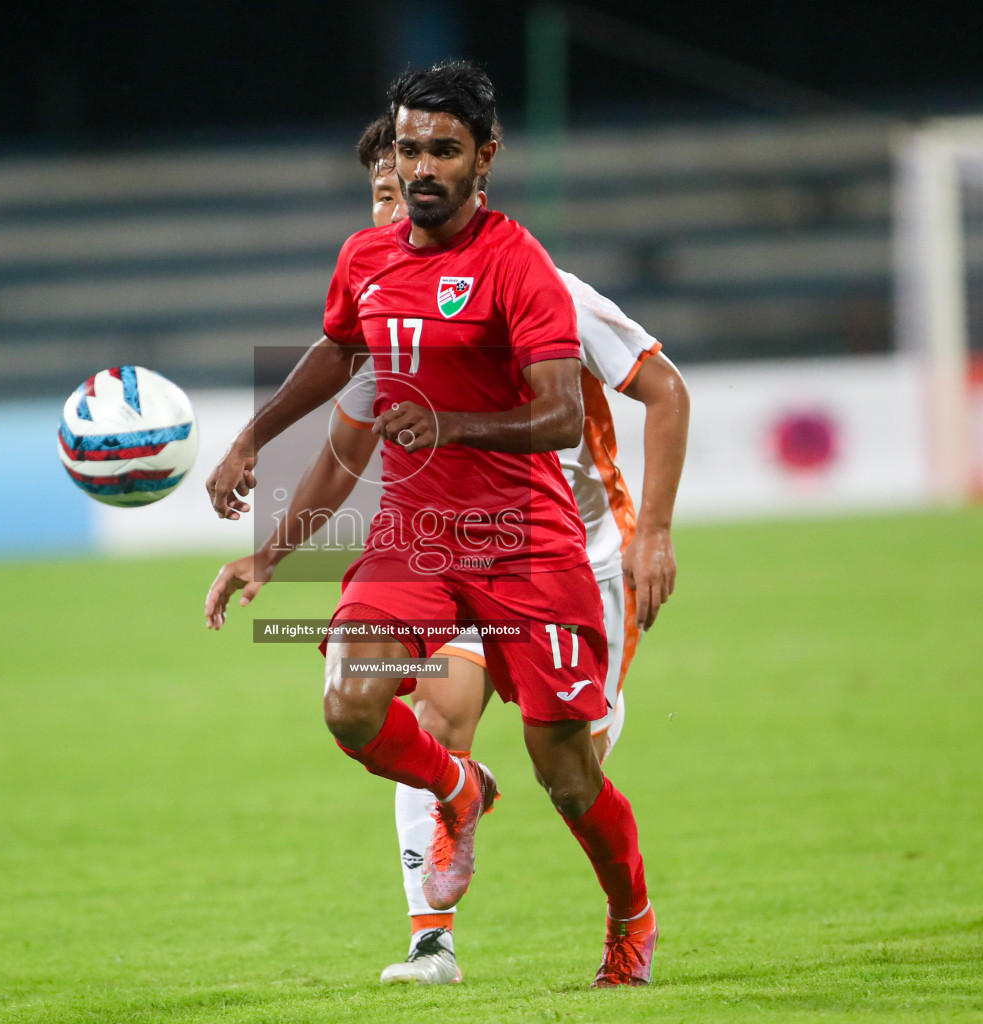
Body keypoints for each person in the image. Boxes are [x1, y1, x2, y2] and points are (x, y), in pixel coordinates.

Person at [205, 113, 689, 985]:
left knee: (567, 771)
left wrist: (654, 529)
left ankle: (630, 916)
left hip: (567, 549)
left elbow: (656, 394)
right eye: (386, 189)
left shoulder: (542, 283)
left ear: (475, 171)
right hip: (432, 541)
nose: (398, 208)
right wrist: (268, 550)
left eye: (413, 182)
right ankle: (434, 935)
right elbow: (344, 450)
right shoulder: (383, 288)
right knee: (413, 714)